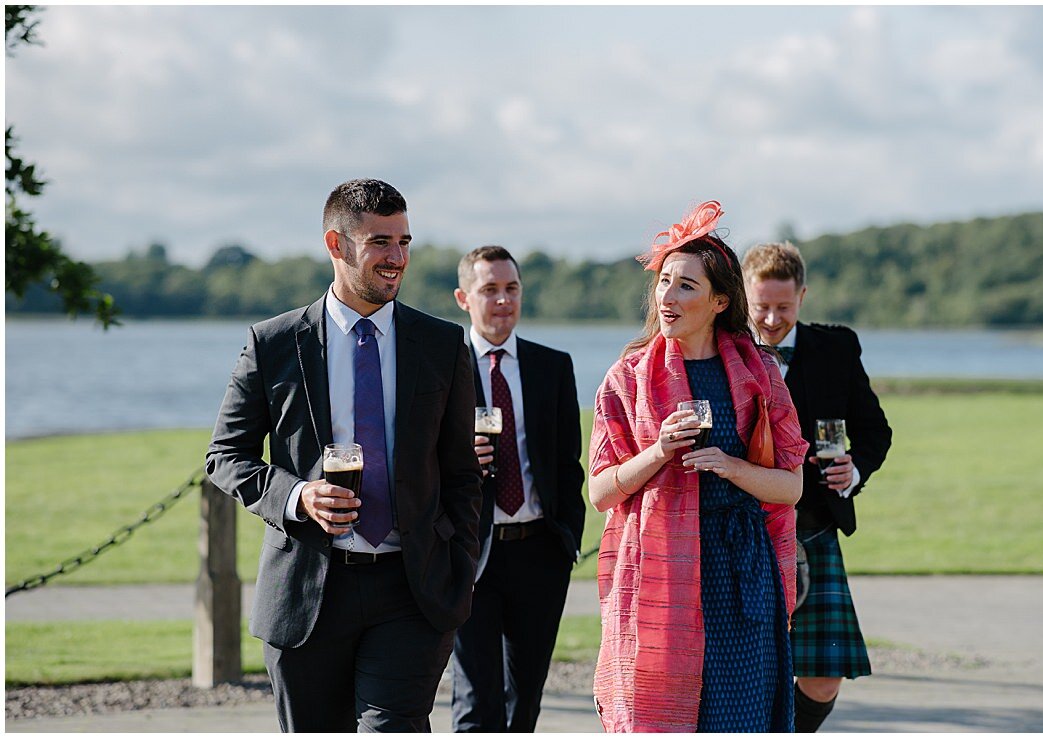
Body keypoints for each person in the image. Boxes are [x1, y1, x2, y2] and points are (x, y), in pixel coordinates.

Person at [206, 178, 482, 733]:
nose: (397, 257)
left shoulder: (442, 344)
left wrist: (458, 566)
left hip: (413, 589)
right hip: (308, 590)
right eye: (381, 242)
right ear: (337, 244)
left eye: (404, 242)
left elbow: (461, 473)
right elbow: (226, 455)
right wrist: (297, 495)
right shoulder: (274, 343)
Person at [588, 201, 809, 733]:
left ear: (720, 301)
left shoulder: (762, 375)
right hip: (660, 576)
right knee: (658, 716)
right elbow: (600, 492)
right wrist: (660, 450)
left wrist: (732, 467)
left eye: (686, 285)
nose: (667, 296)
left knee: (740, 716)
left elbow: (791, 487)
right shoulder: (627, 377)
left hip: (740, 574)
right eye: (664, 281)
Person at [741, 241, 893, 733]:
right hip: (743, 528)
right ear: (742, 296)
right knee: (741, 667)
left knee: (824, 676)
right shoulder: (721, 351)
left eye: (783, 307)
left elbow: (875, 432)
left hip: (813, 525)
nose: (770, 318)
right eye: (760, 306)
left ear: (802, 296)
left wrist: (855, 471)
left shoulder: (836, 347)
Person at [448, 245, 587, 731]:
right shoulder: (443, 369)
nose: (502, 301)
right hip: (469, 554)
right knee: (475, 700)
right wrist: (457, 458)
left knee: (524, 700)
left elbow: (570, 465)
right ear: (464, 298)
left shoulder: (553, 365)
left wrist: (566, 538)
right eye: (490, 290)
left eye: (511, 289)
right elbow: (414, 464)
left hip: (539, 553)